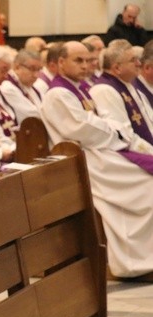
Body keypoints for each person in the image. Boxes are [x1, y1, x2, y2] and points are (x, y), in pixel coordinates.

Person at [41, 41, 153, 278]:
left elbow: (98, 122)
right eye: (77, 61)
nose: (84, 66)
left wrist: (109, 128)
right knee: (147, 187)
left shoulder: (78, 88)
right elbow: (83, 129)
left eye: (86, 60)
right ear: (61, 63)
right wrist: (113, 130)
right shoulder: (58, 93)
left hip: (99, 152)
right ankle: (134, 261)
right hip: (83, 160)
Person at [91, 40, 153, 155]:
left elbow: (150, 120)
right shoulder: (104, 90)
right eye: (133, 60)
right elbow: (124, 135)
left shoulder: (128, 85)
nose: (139, 63)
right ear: (117, 68)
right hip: (126, 153)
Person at [0, 49, 43, 121]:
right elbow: (33, 114)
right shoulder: (7, 87)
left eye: (39, 70)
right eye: (32, 69)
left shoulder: (30, 86)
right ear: (17, 67)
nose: (36, 75)